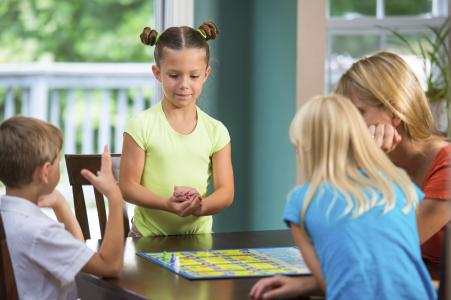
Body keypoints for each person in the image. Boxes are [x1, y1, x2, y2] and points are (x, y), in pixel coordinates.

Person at [250, 95, 436, 299]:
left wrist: (304, 285)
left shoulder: (302, 201)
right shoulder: (401, 186)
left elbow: (328, 281)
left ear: (306, 147)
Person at [334, 51, 451, 278]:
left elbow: (385, 246)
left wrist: (370, 166)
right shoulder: (386, 161)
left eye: (358, 113)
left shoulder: (447, 168)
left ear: (395, 112)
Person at [119, 21, 234, 237]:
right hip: (146, 239)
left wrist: (200, 206)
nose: (184, 84)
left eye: (194, 76)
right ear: (157, 73)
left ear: (206, 74)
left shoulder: (216, 131)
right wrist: (166, 204)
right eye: (174, 75)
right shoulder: (140, 126)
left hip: (199, 241)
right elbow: (127, 186)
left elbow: (226, 192)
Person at [0, 116, 124, 299]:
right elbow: (110, 266)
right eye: (58, 161)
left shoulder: (11, 216)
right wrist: (115, 197)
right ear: (45, 172)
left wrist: (60, 204)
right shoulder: (39, 231)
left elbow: (77, 253)